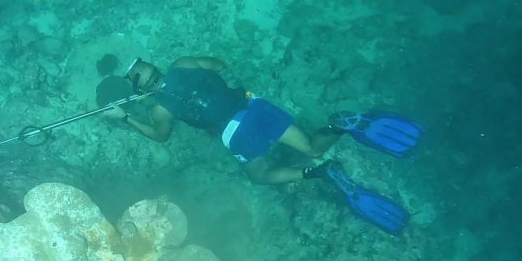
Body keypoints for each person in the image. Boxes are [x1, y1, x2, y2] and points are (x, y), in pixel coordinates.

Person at [108, 56, 423, 235]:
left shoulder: (159, 109)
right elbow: (219, 65)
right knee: (312, 146)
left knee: (258, 174)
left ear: (139, 89)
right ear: (154, 66)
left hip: (234, 131)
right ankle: (337, 126)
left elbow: (161, 136)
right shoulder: (184, 63)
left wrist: (125, 118)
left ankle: (320, 173)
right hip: (255, 106)